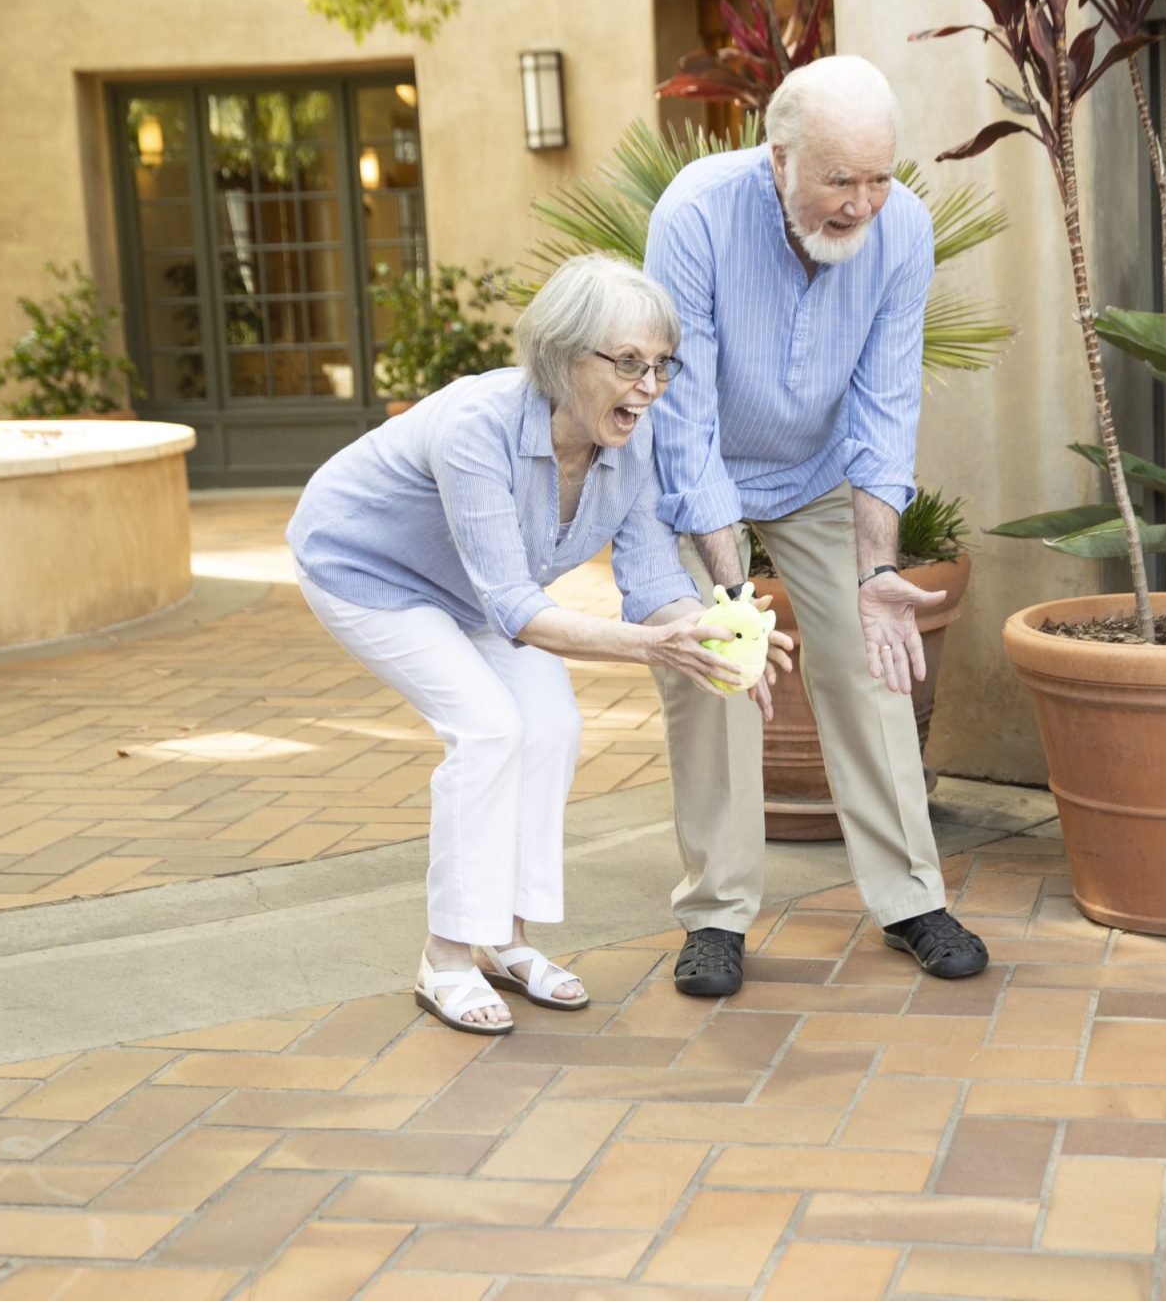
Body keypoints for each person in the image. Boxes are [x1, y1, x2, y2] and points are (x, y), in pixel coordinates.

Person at [287, 254, 791, 1036]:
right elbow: (517, 608)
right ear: (561, 357)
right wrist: (652, 648)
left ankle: (505, 941)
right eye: (628, 363)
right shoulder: (475, 426)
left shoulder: (632, 443)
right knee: (489, 728)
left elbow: (654, 578)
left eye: (661, 365)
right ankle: (445, 957)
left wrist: (723, 638)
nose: (649, 386)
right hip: (367, 569)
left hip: (479, 587)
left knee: (552, 726)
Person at [641, 54, 986, 996]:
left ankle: (910, 896)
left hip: (818, 474)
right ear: (778, 156)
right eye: (841, 179)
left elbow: (885, 406)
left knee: (869, 666)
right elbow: (685, 417)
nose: (863, 203)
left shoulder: (901, 228)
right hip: (693, 477)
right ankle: (716, 915)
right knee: (720, 671)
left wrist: (879, 575)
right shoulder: (697, 217)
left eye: (880, 176)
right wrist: (730, 596)